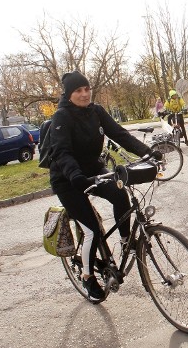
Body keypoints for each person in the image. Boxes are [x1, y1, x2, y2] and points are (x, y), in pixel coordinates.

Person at [48, 71, 161, 301]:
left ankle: (125, 241)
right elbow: (62, 152)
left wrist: (147, 152)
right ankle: (88, 277)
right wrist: (75, 175)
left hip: (92, 171)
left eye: (86, 88)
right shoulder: (61, 117)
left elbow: (120, 135)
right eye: (78, 90)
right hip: (68, 180)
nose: (84, 94)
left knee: (120, 194)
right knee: (91, 229)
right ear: (69, 94)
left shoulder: (96, 111)